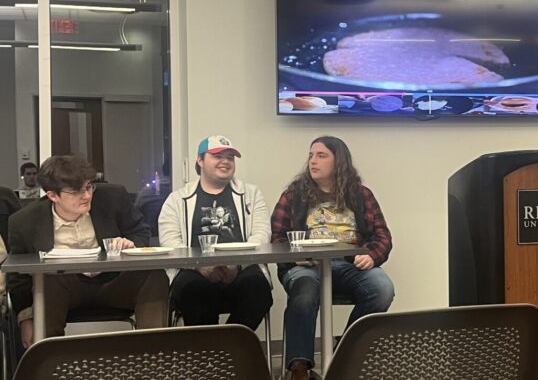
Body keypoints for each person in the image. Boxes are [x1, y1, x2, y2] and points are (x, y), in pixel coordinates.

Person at [7, 155, 169, 348]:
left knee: (154, 276)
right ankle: (51, 363)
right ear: (52, 196)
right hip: (63, 288)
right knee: (47, 278)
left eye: (89, 187)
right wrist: (26, 319)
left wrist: (130, 244)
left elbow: (140, 230)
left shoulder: (113, 197)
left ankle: (153, 359)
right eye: (76, 191)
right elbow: (18, 276)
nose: (86, 195)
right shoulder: (24, 221)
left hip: (114, 282)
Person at [271, 136, 394, 380]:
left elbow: (383, 236)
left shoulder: (361, 195)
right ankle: (299, 368)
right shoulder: (294, 195)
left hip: (349, 266)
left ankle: (345, 350)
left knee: (382, 288)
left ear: (339, 162)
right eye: (311, 156)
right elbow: (276, 239)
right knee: (305, 291)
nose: (313, 161)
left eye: (321, 155)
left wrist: (371, 256)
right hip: (305, 266)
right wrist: (295, 258)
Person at [158, 135, 273, 330]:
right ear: (200, 160)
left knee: (258, 288)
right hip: (194, 271)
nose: (225, 161)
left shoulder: (252, 194)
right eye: (218, 156)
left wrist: (236, 264)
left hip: (240, 269)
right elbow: (170, 243)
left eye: (230, 157)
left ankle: (227, 349)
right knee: (195, 291)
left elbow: (261, 236)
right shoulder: (177, 199)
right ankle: (211, 354)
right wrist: (200, 266)